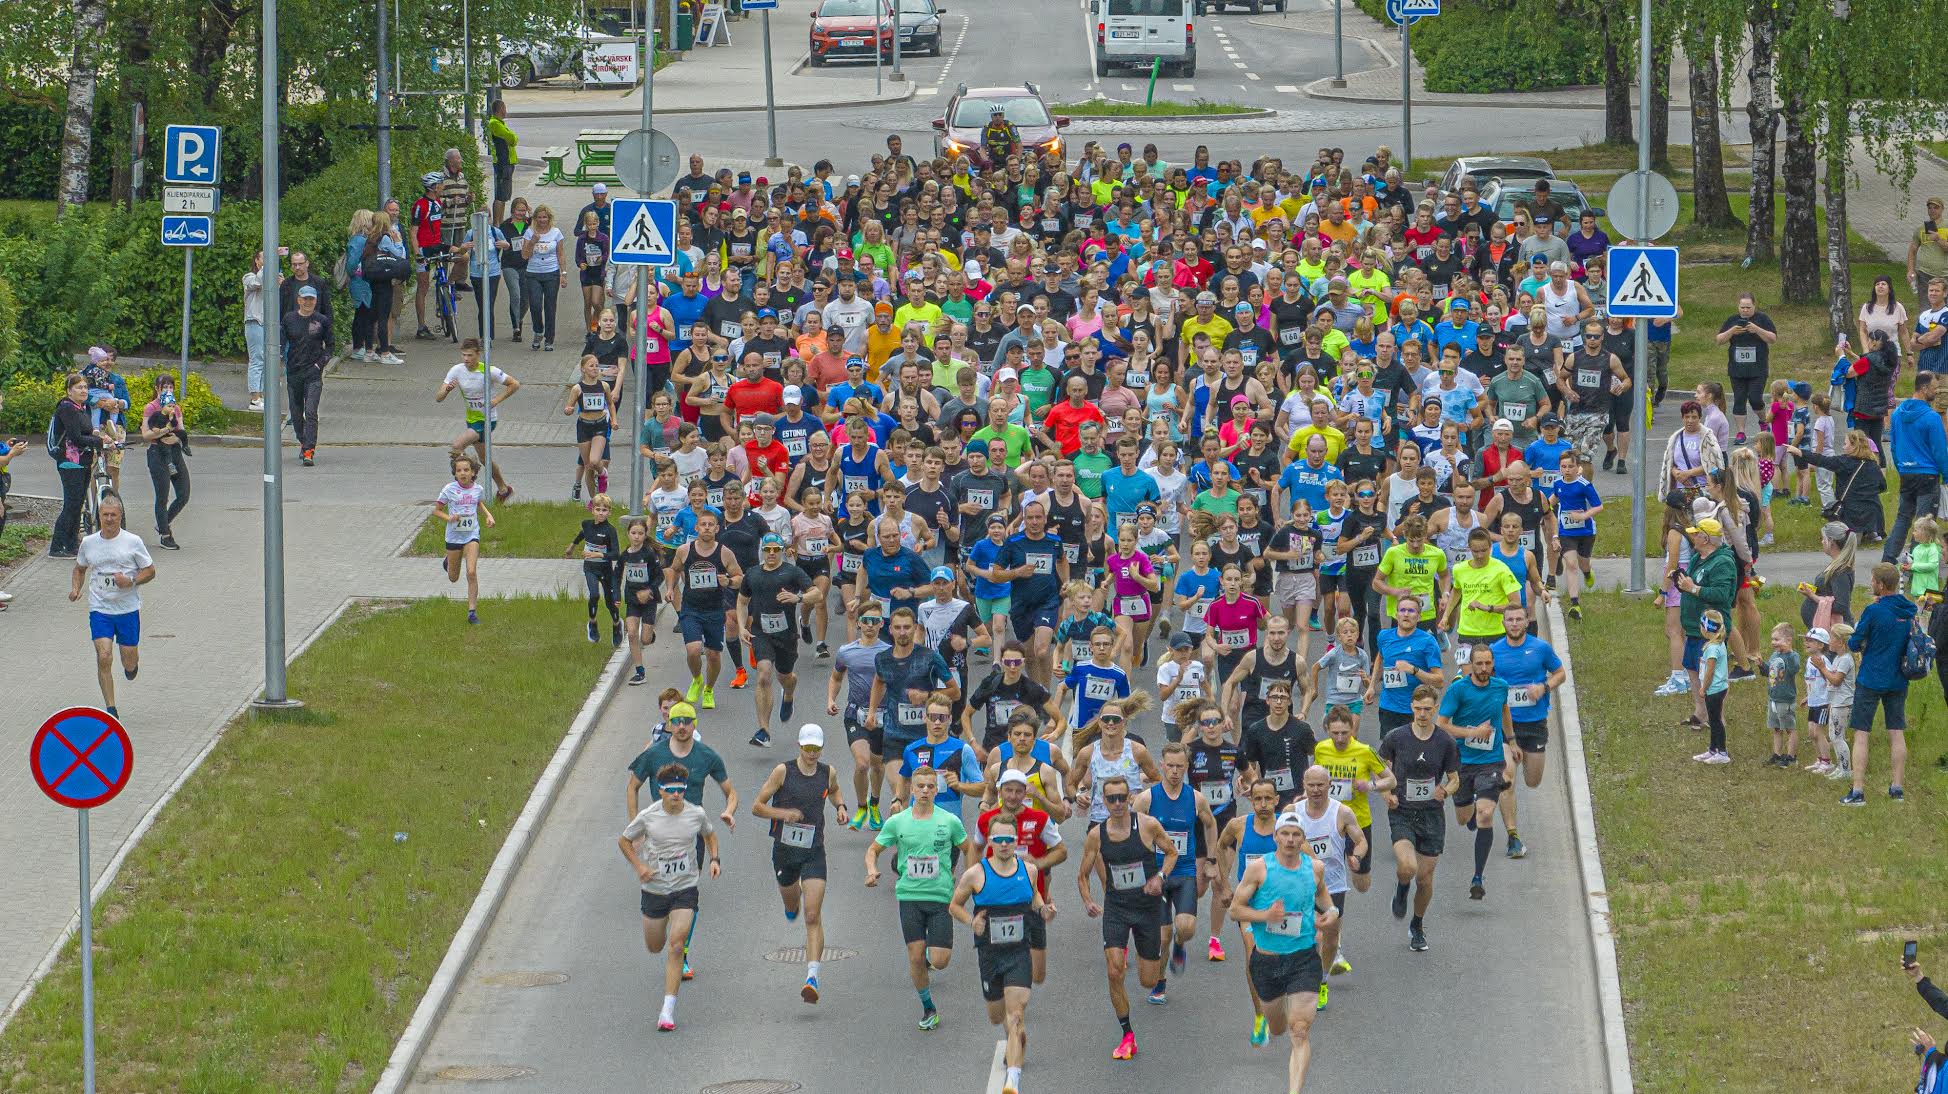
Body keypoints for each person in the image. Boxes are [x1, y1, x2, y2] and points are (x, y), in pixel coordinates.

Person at [1227, 809, 1336, 1094]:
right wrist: (1265, 916)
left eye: (1296, 835)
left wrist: (1332, 911)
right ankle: (1273, 1018)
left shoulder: (1314, 868)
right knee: (1277, 1027)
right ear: (1275, 837)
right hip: (1266, 961)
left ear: (1302, 839)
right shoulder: (1259, 869)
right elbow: (1234, 910)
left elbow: (1323, 895)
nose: (1290, 840)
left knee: (1299, 1029)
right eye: (1284, 834)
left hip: (1303, 959)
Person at [864, 766, 977, 1032]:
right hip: (910, 897)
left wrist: (969, 878)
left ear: (936, 790)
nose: (925, 790)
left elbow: (968, 847)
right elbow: (874, 849)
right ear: (911, 790)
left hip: (940, 898)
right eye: (920, 786)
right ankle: (928, 1007)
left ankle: (929, 957)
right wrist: (872, 869)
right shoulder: (898, 822)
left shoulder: (949, 821)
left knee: (939, 961)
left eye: (930, 786)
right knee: (914, 957)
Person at [949, 814, 1054, 1094]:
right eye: (999, 840)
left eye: (1010, 839)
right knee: (998, 1017)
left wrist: (1044, 910)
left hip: (1019, 952)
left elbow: (1034, 898)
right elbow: (955, 906)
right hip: (989, 955)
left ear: (1017, 840)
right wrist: (971, 922)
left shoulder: (1029, 870)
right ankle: (1013, 1037)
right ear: (991, 842)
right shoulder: (976, 874)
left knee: (1017, 1014)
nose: (1005, 844)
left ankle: (1013, 1079)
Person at [1075, 774, 1177, 1062]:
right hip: (1117, 908)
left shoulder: (1147, 825)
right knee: (1114, 971)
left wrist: (1160, 876)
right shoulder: (1097, 835)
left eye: (1122, 797)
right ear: (1103, 801)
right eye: (1111, 799)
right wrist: (1088, 901)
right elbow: (1082, 874)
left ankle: (1162, 956)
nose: (1118, 803)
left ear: (1131, 797)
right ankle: (1127, 1033)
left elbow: (1171, 852)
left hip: (1148, 908)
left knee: (1147, 980)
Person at [618, 762, 721, 1032]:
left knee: (676, 945)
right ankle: (660, 933)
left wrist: (714, 859)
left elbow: (710, 835)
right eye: (671, 790)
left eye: (681, 789)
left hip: (685, 888)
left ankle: (667, 1010)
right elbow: (624, 841)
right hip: (655, 889)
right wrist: (640, 867)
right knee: (655, 946)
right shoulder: (649, 816)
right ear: (661, 791)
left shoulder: (695, 813)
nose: (677, 794)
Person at [751, 723, 848, 1004]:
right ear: (799, 746)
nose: (812, 754)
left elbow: (834, 790)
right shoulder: (784, 771)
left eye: (816, 749)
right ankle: (789, 905)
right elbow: (757, 806)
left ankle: (812, 976)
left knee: (812, 914)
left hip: (813, 851)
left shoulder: (827, 772)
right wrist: (783, 814)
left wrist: (840, 806)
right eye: (807, 748)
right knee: (792, 901)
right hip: (784, 851)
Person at [1133, 742, 1220, 1002]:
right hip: (1156, 875)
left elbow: (1210, 824)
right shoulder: (1147, 798)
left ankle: (1180, 946)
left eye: (1179, 767)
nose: (1174, 771)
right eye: (1169, 766)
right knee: (1162, 936)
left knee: (1187, 928)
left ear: (1186, 767)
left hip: (1183, 871)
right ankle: (1160, 983)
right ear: (1161, 765)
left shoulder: (1195, 798)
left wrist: (1211, 859)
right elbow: (1132, 830)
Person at [1379, 684, 1458, 951]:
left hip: (1431, 815)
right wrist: (1386, 794)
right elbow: (1380, 771)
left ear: (1435, 709)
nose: (1422, 714)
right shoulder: (1396, 737)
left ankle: (1417, 924)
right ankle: (1402, 890)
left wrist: (1445, 791)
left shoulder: (1445, 741)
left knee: (1424, 878)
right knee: (1407, 866)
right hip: (1402, 810)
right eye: (1418, 708)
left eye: (1427, 709)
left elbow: (1455, 779)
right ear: (1411, 707)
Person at [1437, 644, 1513, 900]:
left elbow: (1504, 710)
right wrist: (1471, 733)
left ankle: (1478, 877)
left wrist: (1511, 740)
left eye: (1487, 664)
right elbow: (1442, 725)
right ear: (1470, 664)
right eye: (1478, 664)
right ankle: (1470, 808)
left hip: (1490, 761)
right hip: (1461, 761)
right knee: (1463, 819)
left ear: (1493, 664)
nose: (1483, 669)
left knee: (1485, 813)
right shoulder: (1458, 690)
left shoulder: (1501, 686)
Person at [1487, 603, 1564, 854]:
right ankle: (1513, 836)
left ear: (1527, 621)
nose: (1514, 624)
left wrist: (1544, 687)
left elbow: (1560, 673)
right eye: (1510, 620)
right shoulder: (1494, 651)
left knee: (1532, 780)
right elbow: (1482, 681)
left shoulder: (1540, 648)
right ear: (1503, 623)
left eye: (1519, 619)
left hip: (1534, 723)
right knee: (1507, 779)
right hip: (1505, 725)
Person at [69, 493, 154, 718]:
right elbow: (79, 568)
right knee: (104, 656)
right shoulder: (89, 543)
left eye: (113, 515)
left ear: (120, 516)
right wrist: (76, 589)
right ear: (99, 516)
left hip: (127, 609)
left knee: (128, 660)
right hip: (100, 609)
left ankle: (131, 668)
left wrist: (131, 581)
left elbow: (150, 571)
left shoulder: (133, 542)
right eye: (105, 515)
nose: (109, 519)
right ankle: (111, 708)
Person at [1842, 562, 1918, 805]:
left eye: (1873, 581)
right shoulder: (1908, 611)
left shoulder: (1873, 611)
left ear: (1881, 586)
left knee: (1862, 733)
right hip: (1898, 679)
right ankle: (1897, 788)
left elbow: (1854, 643)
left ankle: (1857, 791)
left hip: (1871, 678)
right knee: (1896, 732)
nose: (1871, 583)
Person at [741, 533, 813, 747]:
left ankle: (789, 694)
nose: (771, 553)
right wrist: (743, 625)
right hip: (761, 632)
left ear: (782, 550)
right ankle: (763, 730)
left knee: (785, 676)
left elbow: (816, 593)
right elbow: (742, 601)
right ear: (762, 551)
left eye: (775, 549)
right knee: (763, 674)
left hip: (787, 635)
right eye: (767, 549)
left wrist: (798, 598)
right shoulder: (752, 573)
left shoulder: (792, 573)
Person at [669, 509, 744, 708]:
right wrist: (670, 588)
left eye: (711, 525)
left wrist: (727, 580)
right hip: (691, 608)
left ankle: (709, 689)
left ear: (717, 528)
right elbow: (674, 570)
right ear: (696, 527)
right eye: (704, 524)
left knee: (713, 655)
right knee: (693, 650)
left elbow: (739, 578)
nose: (707, 528)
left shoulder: (724, 552)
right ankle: (697, 679)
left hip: (714, 609)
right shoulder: (684, 551)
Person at [828, 606, 892, 830]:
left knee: (877, 765)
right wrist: (830, 699)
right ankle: (862, 807)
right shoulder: (846, 651)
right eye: (866, 620)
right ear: (859, 623)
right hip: (855, 713)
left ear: (881, 624)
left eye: (875, 620)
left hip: (884, 716)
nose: (871, 625)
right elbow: (836, 677)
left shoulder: (889, 651)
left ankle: (875, 804)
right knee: (862, 763)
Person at [435, 338, 519, 501]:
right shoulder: (456, 370)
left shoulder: (488, 370)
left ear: (478, 355)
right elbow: (438, 398)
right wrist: (447, 391)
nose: (466, 359)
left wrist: (496, 400)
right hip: (471, 419)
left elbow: (514, 384)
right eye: (463, 355)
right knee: (485, 459)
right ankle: (504, 489)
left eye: (470, 355)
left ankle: (466, 483)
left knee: (457, 445)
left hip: (487, 420)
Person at [1885, 372, 1948, 561]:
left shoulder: (1897, 414)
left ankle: (1888, 560)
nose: (1936, 393)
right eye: (1934, 388)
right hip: (1927, 475)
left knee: (1902, 519)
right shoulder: (1931, 417)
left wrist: (1901, 467)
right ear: (1924, 388)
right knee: (1924, 523)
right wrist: (1946, 475)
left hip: (1907, 473)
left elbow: (1894, 447)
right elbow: (1940, 450)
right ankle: (1916, 563)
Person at [434, 455, 495, 624]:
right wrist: (448, 518)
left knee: (471, 572)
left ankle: (472, 612)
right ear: (455, 473)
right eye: (459, 470)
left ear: (473, 472)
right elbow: (436, 510)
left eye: (466, 470)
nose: (462, 473)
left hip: (471, 534)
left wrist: (488, 515)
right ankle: (449, 560)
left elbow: (478, 503)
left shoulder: (478, 489)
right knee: (453, 577)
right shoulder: (449, 489)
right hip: (454, 536)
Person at [1714, 292, 1778, 442]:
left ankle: (1763, 422)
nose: (1745, 310)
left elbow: (1773, 338)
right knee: (1739, 399)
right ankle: (1741, 433)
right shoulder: (1732, 320)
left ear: (1754, 306)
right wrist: (1732, 331)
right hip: (1737, 369)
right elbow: (1719, 340)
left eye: (1748, 307)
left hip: (1758, 368)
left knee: (1755, 398)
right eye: (1742, 307)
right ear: (1738, 307)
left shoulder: (1762, 319)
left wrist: (1757, 329)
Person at [138, 373, 191, 551]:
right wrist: (163, 432)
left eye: (170, 387)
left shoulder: (175, 408)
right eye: (164, 387)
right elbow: (146, 435)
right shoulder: (150, 408)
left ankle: (163, 522)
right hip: (157, 453)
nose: (168, 390)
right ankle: (165, 535)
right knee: (162, 495)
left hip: (174, 452)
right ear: (157, 389)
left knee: (184, 494)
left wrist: (176, 438)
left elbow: (181, 430)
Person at [283, 284, 332, 466]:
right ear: (299, 300)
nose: (308, 302)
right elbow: (282, 342)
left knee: (311, 412)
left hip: (313, 375)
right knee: (296, 415)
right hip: (294, 373)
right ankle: (303, 441)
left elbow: (331, 346)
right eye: (305, 299)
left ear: (315, 301)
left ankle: (309, 450)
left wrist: (320, 364)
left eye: (311, 299)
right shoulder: (289, 319)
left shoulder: (322, 321)